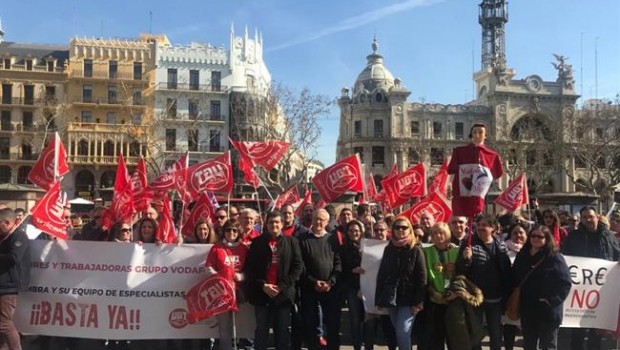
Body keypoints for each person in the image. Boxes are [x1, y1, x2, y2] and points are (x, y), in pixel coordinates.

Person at [562, 206, 620, 350]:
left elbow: (616, 255)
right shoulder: (573, 237)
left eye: (591, 216)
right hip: (579, 290)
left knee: (597, 330)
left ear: (597, 217)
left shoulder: (608, 236)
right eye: (585, 217)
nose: (588, 219)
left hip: (601, 290)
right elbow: (565, 259)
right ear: (581, 219)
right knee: (578, 330)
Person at [245, 211, 304, 350]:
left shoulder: (292, 242)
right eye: (271, 222)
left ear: (282, 224)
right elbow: (250, 268)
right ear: (266, 224)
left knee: (282, 331)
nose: (274, 225)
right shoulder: (257, 243)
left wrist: (281, 287)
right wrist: (263, 285)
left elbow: (298, 267)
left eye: (277, 222)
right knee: (261, 331)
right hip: (261, 294)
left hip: (283, 295)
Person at [456, 214, 512, 350]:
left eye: (484, 225)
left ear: (493, 228)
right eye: (479, 225)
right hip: (475, 297)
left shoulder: (501, 245)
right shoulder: (469, 244)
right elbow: (460, 270)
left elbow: (506, 271)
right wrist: (465, 260)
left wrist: (507, 294)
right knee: (476, 333)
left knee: (495, 333)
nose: (480, 228)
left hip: (495, 297)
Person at [512, 225, 571, 350]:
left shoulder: (554, 257)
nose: (536, 238)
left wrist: (551, 300)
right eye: (533, 236)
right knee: (529, 344)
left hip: (547, 310)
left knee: (548, 345)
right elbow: (514, 276)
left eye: (540, 236)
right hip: (528, 308)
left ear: (547, 238)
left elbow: (565, 283)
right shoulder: (522, 255)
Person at [375, 217, 426, 350]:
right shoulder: (388, 249)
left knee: (402, 332)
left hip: (409, 299)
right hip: (392, 298)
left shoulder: (416, 250)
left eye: (404, 227)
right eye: (397, 227)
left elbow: (422, 278)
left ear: (410, 230)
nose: (401, 230)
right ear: (393, 230)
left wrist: (418, 302)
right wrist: (378, 299)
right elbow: (382, 274)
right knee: (398, 332)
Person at [298, 209, 342, 349]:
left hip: (330, 289)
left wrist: (331, 281)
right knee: (311, 323)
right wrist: (313, 282)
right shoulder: (302, 239)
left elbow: (338, 262)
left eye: (322, 220)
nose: (318, 222)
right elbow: (300, 265)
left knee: (332, 323)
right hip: (309, 289)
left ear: (327, 222)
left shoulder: (332, 239)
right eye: (316, 218)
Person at [205, 221, 249, 350]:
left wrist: (242, 276)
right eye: (228, 230)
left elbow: (251, 268)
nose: (231, 233)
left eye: (235, 230)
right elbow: (208, 267)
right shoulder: (217, 248)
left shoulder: (245, 248)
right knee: (224, 327)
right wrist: (219, 278)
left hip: (240, 292)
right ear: (224, 232)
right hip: (222, 293)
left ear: (239, 232)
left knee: (240, 326)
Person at [448, 123, 503, 219]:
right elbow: (451, 170)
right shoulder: (459, 152)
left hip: (480, 197)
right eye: (474, 132)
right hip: (462, 196)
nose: (477, 135)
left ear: (485, 136)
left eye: (480, 132)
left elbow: (497, 174)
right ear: (471, 134)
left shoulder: (493, 156)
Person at [423, 222, 460, 350]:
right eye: (434, 233)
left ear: (448, 234)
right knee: (436, 339)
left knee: (454, 338)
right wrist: (434, 293)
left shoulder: (456, 250)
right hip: (435, 299)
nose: (438, 236)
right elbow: (424, 277)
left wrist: (455, 293)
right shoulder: (425, 251)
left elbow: (463, 275)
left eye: (441, 233)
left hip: (454, 300)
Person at [363, 220, 397, 350]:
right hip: (370, 291)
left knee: (389, 327)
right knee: (370, 327)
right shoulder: (367, 246)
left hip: (387, 293)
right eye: (376, 230)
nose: (378, 232)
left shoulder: (394, 246)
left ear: (387, 231)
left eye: (381, 230)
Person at [0, 208, 30, 350]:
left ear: (6, 222)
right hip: (3, 284)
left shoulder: (19, 236)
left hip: (9, 286)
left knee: (4, 323)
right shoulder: (3, 236)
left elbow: (14, 258)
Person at [340, 220, 366, 350]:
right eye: (351, 230)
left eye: (356, 230)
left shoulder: (367, 246)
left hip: (367, 287)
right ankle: (357, 346)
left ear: (361, 232)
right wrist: (352, 270)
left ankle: (368, 345)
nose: (354, 233)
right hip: (352, 287)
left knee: (368, 319)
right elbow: (341, 268)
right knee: (355, 319)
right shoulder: (343, 248)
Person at [502, 222, 528, 350]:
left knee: (529, 330)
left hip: (528, 295)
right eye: (515, 233)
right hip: (510, 294)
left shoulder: (532, 250)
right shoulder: (504, 250)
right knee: (509, 326)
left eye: (521, 232)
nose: (518, 235)